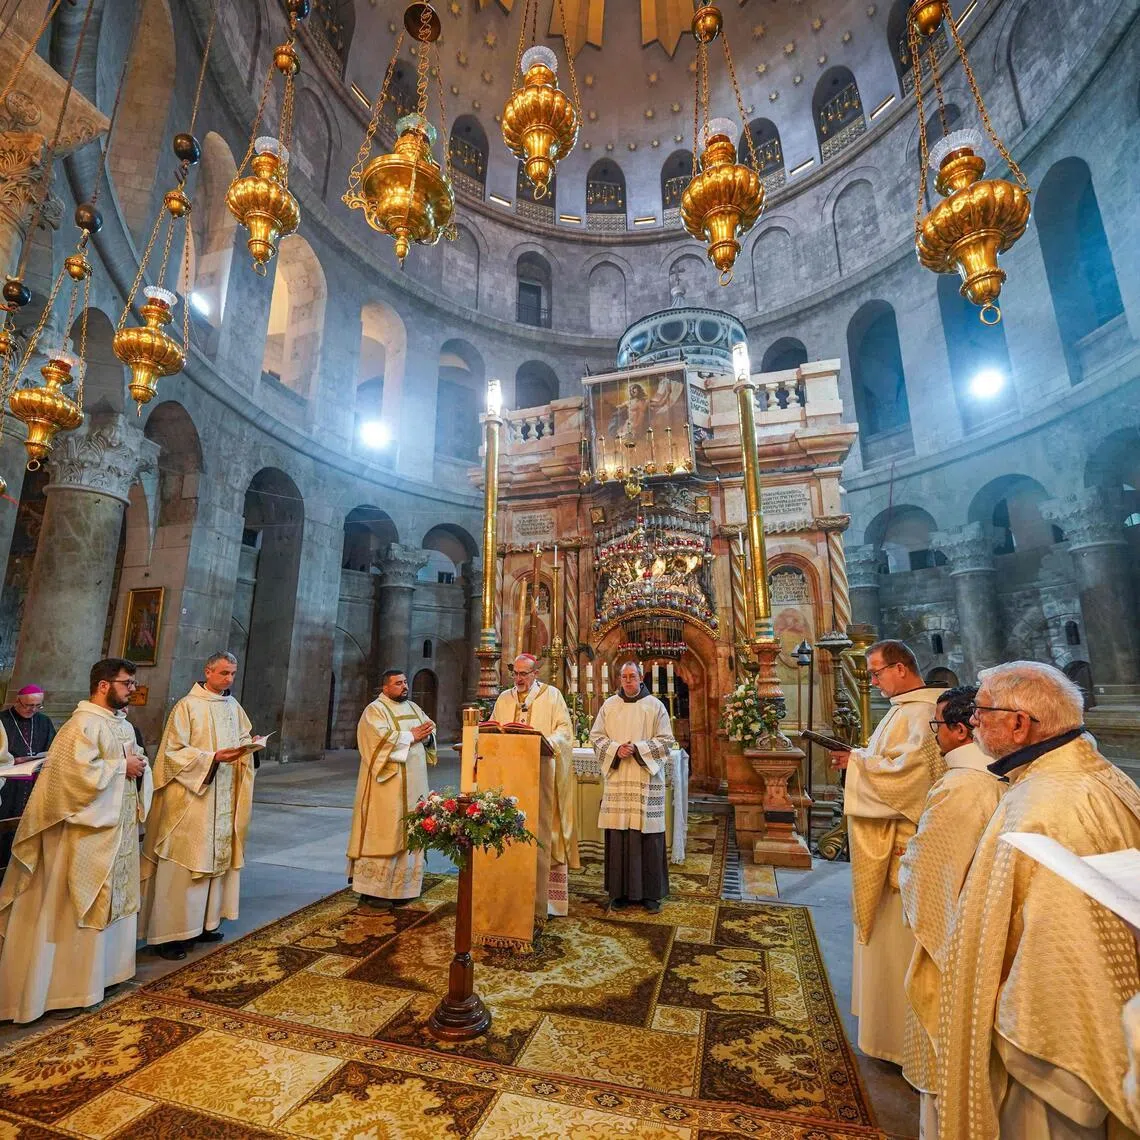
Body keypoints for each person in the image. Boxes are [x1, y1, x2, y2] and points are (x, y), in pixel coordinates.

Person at [937, 661, 1140, 1140]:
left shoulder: (1047, 805)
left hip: (1051, 1048)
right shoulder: (1088, 773)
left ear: (1018, 723)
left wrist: (1008, 1008)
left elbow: (1059, 949)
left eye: (982, 711)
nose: (973, 722)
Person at [0, 659, 152, 1023]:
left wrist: (139, 765)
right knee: (73, 906)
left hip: (116, 832)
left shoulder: (122, 725)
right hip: (82, 836)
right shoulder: (81, 725)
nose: (132, 688)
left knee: (112, 900)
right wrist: (122, 768)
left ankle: (104, 975)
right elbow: (72, 777)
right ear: (103, 685)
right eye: (126, 682)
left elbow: (131, 763)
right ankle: (65, 987)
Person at [829, 639, 945, 1065]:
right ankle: (884, 1032)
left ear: (900, 668)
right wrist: (857, 760)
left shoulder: (921, 712)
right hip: (889, 838)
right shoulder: (904, 710)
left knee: (899, 944)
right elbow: (890, 763)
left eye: (877, 673)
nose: (873, 682)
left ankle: (902, 1040)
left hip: (904, 848)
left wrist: (858, 765)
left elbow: (909, 777)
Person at [897, 685, 1005, 1137]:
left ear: (961, 729)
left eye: (938, 727)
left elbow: (929, 873)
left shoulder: (962, 785)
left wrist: (905, 865)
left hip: (958, 942)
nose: (933, 735)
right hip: (984, 934)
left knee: (954, 1050)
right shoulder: (997, 776)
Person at [140, 652, 256, 962]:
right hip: (192, 800)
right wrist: (212, 759)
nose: (229, 679)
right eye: (224, 673)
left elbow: (243, 736)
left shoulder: (233, 706)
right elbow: (171, 754)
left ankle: (205, 923)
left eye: (233, 673)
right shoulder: (187, 707)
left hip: (223, 795)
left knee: (214, 864)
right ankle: (169, 935)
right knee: (184, 865)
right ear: (208, 671)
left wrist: (251, 746)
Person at [492, 654, 579, 916]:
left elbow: (565, 731)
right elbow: (494, 727)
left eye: (523, 674)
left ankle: (547, 902)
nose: (518, 679)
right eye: (515, 673)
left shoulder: (552, 696)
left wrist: (547, 743)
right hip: (511, 778)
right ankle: (512, 894)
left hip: (542, 777)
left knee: (543, 830)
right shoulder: (504, 699)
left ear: (535, 674)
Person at [589, 661, 675, 913]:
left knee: (648, 834)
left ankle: (651, 895)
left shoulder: (655, 706)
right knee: (619, 834)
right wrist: (617, 749)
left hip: (645, 778)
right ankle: (619, 893)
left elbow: (667, 740)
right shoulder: (609, 706)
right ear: (619, 680)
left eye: (632, 676)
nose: (628, 681)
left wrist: (637, 749)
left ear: (640, 678)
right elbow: (596, 737)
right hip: (618, 780)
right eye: (624, 677)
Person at [347, 669, 436, 908]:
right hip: (386, 787)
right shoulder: (374, 710)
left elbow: (428, 729)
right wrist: (410, 736)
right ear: (385, 688)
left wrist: (426, 736)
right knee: (386, 829)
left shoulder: (414, 708)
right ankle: (374, 890)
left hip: (415, 786)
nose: (404, 687)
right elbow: (375, 742)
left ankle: (406, 888)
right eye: (398, 683)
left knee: (412, 830)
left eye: (405, 682)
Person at [0, 686, 50, 872]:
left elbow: (50, 747)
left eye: (38, 706)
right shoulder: (2, 720)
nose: (33, 710)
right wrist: (13, 760)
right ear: (17, 701)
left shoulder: (44, 722)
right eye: (28, 705)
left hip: (33, 784)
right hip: (7, 786)